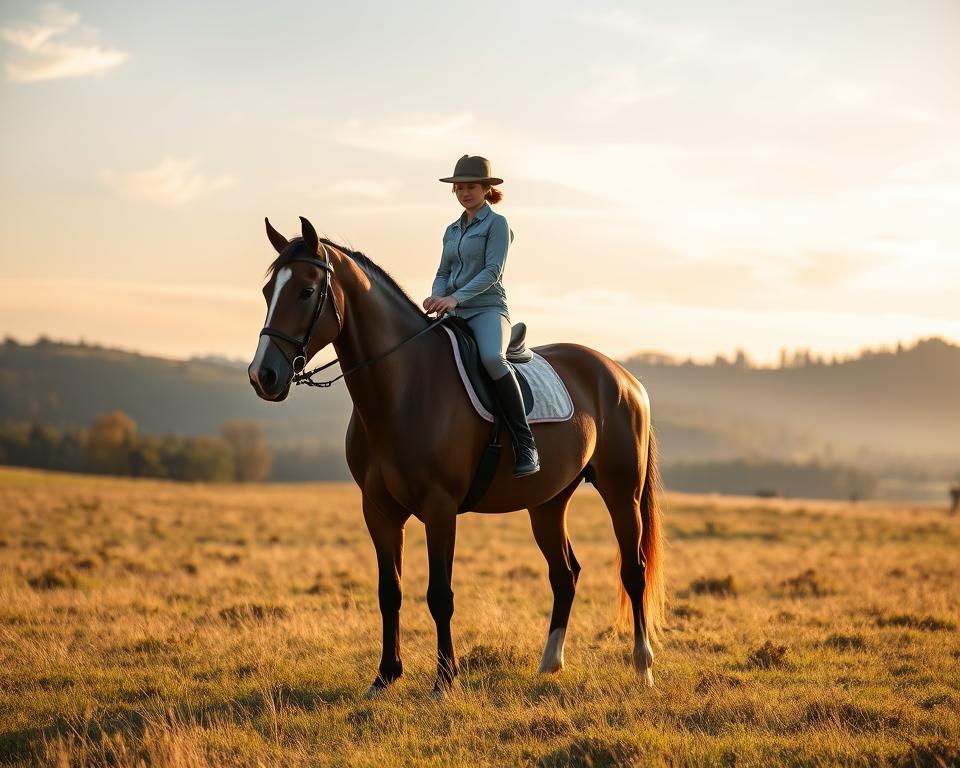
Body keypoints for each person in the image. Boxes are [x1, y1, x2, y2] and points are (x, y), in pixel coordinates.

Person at [423, 154, 540, 477]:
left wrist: (453, 299)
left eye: (471, 187)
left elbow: (492, 272)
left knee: (491, 358)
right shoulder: (450, 230)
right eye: (459, 188)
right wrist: (436, 295)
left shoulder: (497, 224)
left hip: (487, 308)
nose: (464, 193)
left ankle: (525, 441)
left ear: (487, 189)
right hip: (452, 307)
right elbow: (443, 270)